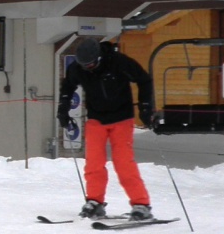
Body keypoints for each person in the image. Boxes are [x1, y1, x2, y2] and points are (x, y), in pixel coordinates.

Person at [58, 36, 155, 220]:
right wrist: (63, 110)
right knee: (93, 164)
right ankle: (95, 202)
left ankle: (141, 204)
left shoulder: (118, 62)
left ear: (99, 58)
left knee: (123, 163)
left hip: (121, 119)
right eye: (84, 65)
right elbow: (67, 87)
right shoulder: (79, 67)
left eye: (91, 65)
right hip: (96, 120)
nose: (88, 68)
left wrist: (145, 107)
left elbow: (144, 80)